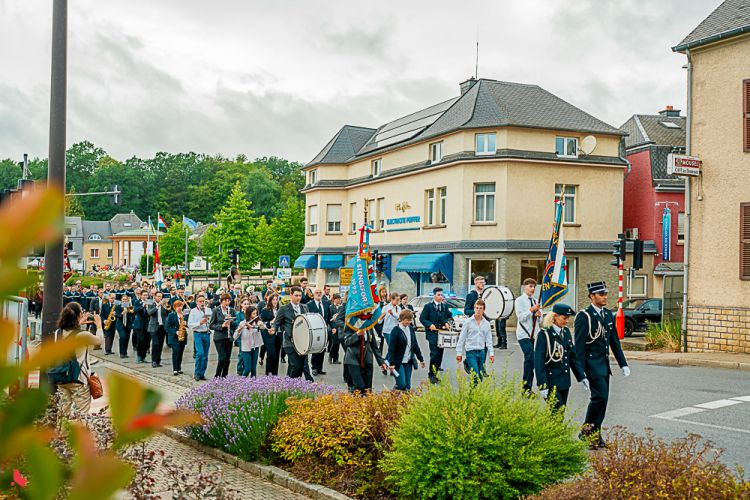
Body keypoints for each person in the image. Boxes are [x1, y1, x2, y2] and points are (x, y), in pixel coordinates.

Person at [575, 281, 630, 448]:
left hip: (604, 365)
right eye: (601, 294)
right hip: (591, 364)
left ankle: (594, 433)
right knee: (600, 397)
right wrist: (581, 373)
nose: (605, 297)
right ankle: (587, 431)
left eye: (605, 294)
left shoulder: (607, 314)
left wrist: (623, 363)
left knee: (603, 400)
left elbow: (614, 342)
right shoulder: (584, 316)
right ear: (592, 296)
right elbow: (579, 346)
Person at [54, 302, 104, 416]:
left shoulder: (58, 333)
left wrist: (78, 323)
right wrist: (99, 325)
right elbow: (99, 341)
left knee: (63, 411)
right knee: (82, 414)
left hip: (61, 376)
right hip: (78, 379)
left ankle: (61, 432)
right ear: (79, 315)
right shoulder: (83, 335)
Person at [535, 303, 588, 411]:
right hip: (551, 381)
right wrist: (542, 384)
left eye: (568, 318)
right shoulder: (544, 334)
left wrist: (582, 376)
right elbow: (538, 362)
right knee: (556, 412)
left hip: (564, 381)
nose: (567, 321)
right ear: (555, 316)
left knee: (561, 411)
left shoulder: (566, 332)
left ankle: (553, 428)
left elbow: (572, 357)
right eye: (564, 318)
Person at [273, 286, 313, 381]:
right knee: (296, 365)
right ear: (291, 295)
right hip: (289, 342)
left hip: (303, 342)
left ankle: (293, 384)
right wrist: (273, 329)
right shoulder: (284, 309)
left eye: (300, 295)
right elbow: (276, 322)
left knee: (299, 365)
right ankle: (290, 385)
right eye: (296, 295)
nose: (298, 298)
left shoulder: (305, 307)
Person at [342, 323, 389, 394]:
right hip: (353, 359)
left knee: (368, 389)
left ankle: (366, 404)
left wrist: (381, 362)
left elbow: (374, 345)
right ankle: (354, 401)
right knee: (359, 386)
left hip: (367, 359)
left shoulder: (368, 325)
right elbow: (347, 342)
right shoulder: (350, 324)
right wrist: (357, 335)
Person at [419, 287, 453, 384]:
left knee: (440, 355)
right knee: (434, 354)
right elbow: (422, 318)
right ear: (434, 296)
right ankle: (431, 375)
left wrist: (446, 322)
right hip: (432, 334)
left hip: (442, 333)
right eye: (438, 295)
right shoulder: (428, 306)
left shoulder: (444, 306)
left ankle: (435, 373)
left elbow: (448, 316)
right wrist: (429, 325)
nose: (440, 296)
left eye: (442, 295)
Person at [456, 299, 494, 382]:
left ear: (484, 310)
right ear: (474, 309)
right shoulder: (468, 322)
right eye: (477, 308)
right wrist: (459, 353)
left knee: (480, 377)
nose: (478, 310)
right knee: (475, 376)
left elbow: (489, 340)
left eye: (480, 308)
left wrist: (491, 353)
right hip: (470, 352)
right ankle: (471, 394)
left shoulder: (486, 324)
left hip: (481, 352)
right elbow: (461, 338)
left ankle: (474, 393)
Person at [386, 309, 425, 391]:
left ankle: (404, 402)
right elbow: (391, 349)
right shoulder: (395, 331)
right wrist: (392, 363)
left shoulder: (410, 329)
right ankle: (393, 396)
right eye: (407, 320)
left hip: (408, 361)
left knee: (407, 386)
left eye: (410, 320)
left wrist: (421, 359)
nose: (409, 322)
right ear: (401, 319)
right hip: (398, 362)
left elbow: (415, 345)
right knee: (401, 384)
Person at [515, 278, 541, 393]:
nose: (533, 289)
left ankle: (528, 387)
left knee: (533, 360)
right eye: (530, 286)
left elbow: (540, 322)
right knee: (529, 358)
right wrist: (531, 310)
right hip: (524, 334)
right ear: (524, 287)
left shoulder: (536, 301)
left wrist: (539, 315)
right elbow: (521, 317)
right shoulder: (519, 301)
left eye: (534, 286)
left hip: (534, 335)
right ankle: (526, 388)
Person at [209, 292, 236, 378]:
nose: (227, 303)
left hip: (228, 337)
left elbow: (235, 323)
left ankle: (224, 376)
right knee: (222, 358)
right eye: (225, 301)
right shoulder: (216, 310)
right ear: (221, 301)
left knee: (227, 359)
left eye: (228, 301)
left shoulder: (231, 310)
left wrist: (231, 322)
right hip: (219, 338)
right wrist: (221, 326)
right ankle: (217, 376)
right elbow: (211, 325)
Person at [234, 302, 263, 377]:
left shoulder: (257, 322)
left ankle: (253, 385)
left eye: (256, 314)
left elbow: (262, 326)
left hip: (255, 347)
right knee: (248, 368)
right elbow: (234, 337)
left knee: (254, 368)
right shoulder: (242, 323)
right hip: (246, 348)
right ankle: (242, 384)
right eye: (253, 314)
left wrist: (260, 325)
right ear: (249, 314)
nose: (255, 316)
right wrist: (239, 329)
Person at [188, 294, 212, 381]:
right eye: (200, 301)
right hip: (198, 333)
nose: (202, 303)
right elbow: (190, 324)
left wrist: (209, 323)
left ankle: (202, 373)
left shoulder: (208, 310)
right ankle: (196, 373)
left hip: (206, 333)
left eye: (203, 301)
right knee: (200, 353)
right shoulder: (193, 311)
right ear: (196, 302)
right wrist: (200, 323)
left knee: (205, 355)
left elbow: (212, 322)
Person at [307, 288, 329, 375]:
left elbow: (329, 316)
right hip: (315, 330)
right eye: (317, 293)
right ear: (314, 294)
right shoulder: (309, 304)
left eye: (320, 293)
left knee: (322, 349)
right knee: (316, 349)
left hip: (325, 330)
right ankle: (314, 368)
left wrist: (333, 327)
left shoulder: (326, 304)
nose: (319, 294)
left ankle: (320, 368)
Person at [260, 292, 282, 376]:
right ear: (270, 300)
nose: (275, 301)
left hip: (277, 335)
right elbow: (262, 323)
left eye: (277, 300)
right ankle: (268, 374)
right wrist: (270, 322)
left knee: (276, 355)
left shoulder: (280, 310)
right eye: (273, 300)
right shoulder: (265, 310)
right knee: (271, 354)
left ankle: (275, 374)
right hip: (268, 335)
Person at [165, 300, 189, 376]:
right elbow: (167, 327)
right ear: (174, 307)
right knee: (175, 352)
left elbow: (188, 325)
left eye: (181, 306)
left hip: (183, 336)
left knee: (180, 353)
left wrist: (186, 324)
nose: (179, 308)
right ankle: (175, 369)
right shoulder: (171, 315)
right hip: (174, 337)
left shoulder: (184, 315)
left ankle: (179, 368)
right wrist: (175, 331)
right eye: (178, 306)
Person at [147, 294, 169, 368]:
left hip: (162, 326)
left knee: (160, 344)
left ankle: (158, 361)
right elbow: (149, 313)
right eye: (158, 296)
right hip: (153, 327)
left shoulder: (164, 305)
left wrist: (165, 307)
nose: (160, 298)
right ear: (155, 297)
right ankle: (153, 361)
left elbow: (167, 314)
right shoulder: (151, 304)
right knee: (155, 344)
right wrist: (157, 306)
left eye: (161, 297)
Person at [132, 290, 150, 363]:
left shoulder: (149, 302)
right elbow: (135, 310)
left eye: (146, 295)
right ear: (141, 296)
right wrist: (142, 306)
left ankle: (143, 357)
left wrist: (149, 307)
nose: (145, 297)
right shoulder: (137, 302)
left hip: (147, 324)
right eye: (144, 295)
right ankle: (139, 356)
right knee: (140, 340)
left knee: (146, 341)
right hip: (139, 324)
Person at [114, 294, 134, 359]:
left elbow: (132, 314)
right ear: (121, 300)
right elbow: (117, 315)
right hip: (120, 324)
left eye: (126, 300)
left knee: (127, 338)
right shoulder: (118, 306)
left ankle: (125, 352)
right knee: (123, 337)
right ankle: (121, 353)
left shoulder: (129, 306)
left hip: (128, 324)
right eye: (123, 300)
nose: (125, 301)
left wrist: (130, 311)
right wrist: (122, 313)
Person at [328, 293, 345, 365]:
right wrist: (333, 328)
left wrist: (338, 328)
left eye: (339, 299)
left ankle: (336, 359)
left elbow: (341, 319)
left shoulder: (341, 308)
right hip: (332, 328)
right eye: (337, 299)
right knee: (334, 342)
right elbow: (329, 319)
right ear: (334, 300)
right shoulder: (330, 307)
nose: (339, 300)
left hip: (339, 328)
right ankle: (330, 356)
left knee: (338, 343)